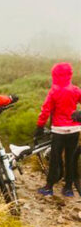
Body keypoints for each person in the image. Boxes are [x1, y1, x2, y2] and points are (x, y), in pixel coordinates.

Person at [35, 62, 81, 197]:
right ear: (70, 75)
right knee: (71, 159)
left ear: (54, 75)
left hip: (58, 131)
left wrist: (39, 126)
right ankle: (68, 189)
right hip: (74, 130)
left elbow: (45, 110)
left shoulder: (54, 91)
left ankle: (49, 187)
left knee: (55, 159)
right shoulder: (76, 90)